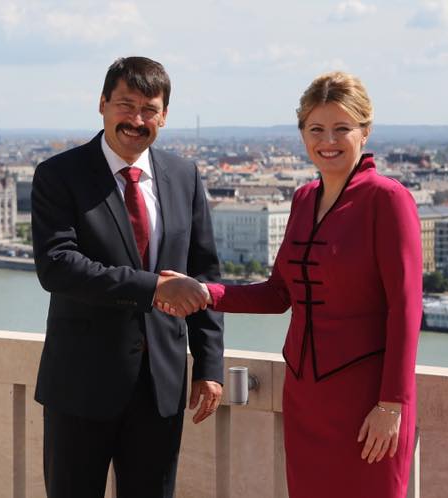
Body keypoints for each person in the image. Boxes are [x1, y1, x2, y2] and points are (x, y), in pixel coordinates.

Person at [159, 71, 422, 497]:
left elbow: (405, 310)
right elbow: (279, 293)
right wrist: (206, 293)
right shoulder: (303, 199)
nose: (328, 140)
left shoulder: (388, 199)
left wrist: (392, 405)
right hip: (305, 396)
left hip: (368, 402)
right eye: (316, 129)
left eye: (341, 128)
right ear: (302, 134)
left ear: (365, 132)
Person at [31, 56, 224, 498]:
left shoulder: (185, 176)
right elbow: (58, 266)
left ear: (164, 116)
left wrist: (209, 365)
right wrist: (154, 288)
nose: (136, 120)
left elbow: (203, 274)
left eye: (149, 110)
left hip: (161, 387)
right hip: (81, 385)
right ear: (102, 104)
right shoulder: (59, 175)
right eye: (126, 105)